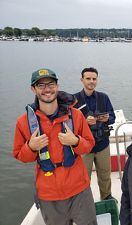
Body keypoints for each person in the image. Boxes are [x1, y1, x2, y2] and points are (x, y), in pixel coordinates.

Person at [12, 68, 97, 225]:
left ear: (57, 86)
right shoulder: (23, 122)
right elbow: (19, 155)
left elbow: (89, 145)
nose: (47, 89)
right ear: (33, 89)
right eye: (41, 86)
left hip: (80, 190)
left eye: (50, 84)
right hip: (48, 195)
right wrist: (30, 147)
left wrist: (76, 141)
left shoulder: (76, 115)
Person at [74, 67, 116, 201]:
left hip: (102, 143)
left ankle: (106, 197)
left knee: (105, 174)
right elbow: (69, 124)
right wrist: (83, 121)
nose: (91, 81)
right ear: (82, 80)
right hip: (84, 146)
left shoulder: (104, 97)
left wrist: (107, 119)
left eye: (94, 79)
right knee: (84, 177)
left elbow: (113, 117)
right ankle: (85, 202)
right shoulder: (74, 100)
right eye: (88, 78)